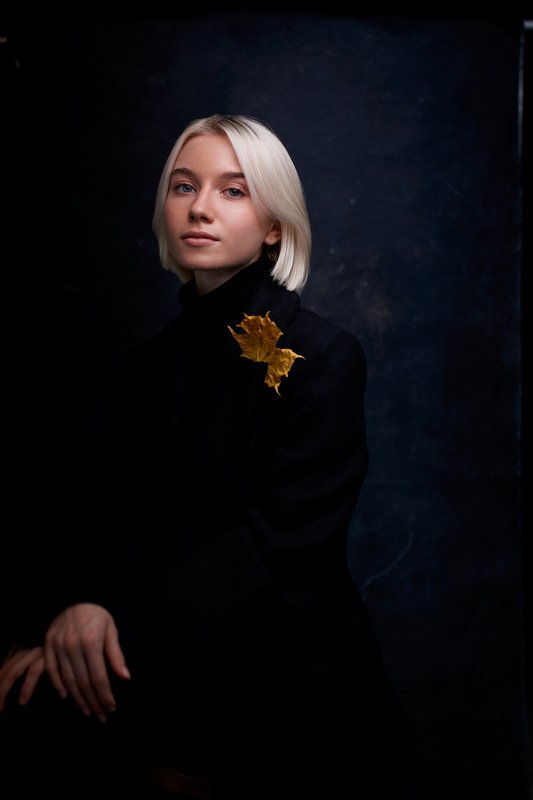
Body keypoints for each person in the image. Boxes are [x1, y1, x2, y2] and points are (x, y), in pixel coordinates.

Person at [0, 114, 415, 798]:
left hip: (286, 684)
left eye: (233, 190)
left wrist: (115, 631)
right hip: (164, 665)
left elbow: (281, 553)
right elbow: (103, 521)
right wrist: (72, 608)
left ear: (275, 224)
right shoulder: (143, 368)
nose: (198, 207)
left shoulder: (318, 358)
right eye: (183, 185)